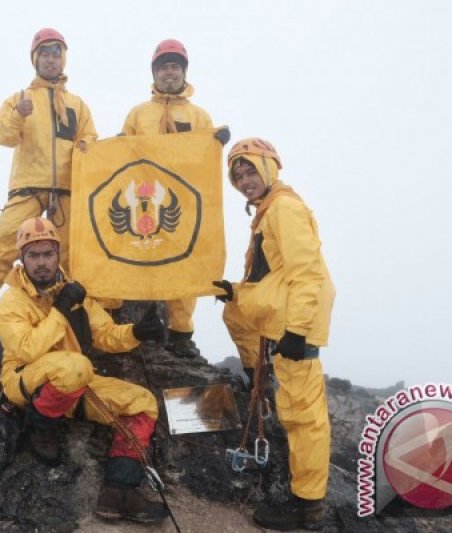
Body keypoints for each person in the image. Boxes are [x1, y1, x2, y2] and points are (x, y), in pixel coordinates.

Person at [0, 216, 169, 524]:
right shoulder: (11, 302)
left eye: (48, 253)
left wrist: (137, 332)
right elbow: (27, 349)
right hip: (25, 381)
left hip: (74, 384)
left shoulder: (74, 293)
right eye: (33, 255)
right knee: (76, 366)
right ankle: (40, 427)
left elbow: (104, 334)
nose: (42, 262)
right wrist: (61, 310)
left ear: (58, 255)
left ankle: (119, 491)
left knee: (142, 402)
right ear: (22, 260)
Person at [213, 138, 334, 531]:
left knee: (303, 417)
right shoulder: (268, 211)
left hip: (295, 325)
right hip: (280, 318)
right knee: (234, 311)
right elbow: (272, 276)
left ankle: (307, 505)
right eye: (238, 176)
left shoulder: (284, 208)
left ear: (270, 166)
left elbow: (307, 273)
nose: (245, 181)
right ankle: (257, 378)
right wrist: (237, 291)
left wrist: (298, 331)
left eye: (250, 170)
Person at [0, 28, 97, 314]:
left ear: (63, 59)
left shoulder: (77, 105)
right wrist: (19, 114)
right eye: (44, 53)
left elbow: (90, 140)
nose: (51, 59)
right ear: (35, 59)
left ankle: (68, 307)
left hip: (66, 188)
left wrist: (85, 145)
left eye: (56, 53)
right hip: (27, 185)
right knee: (5, 239)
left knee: (67, 250)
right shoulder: (18, 98)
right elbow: (3, 136)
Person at [120, 38, 230, 358]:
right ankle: (145, 327)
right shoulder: (138, 114)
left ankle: (181, 334)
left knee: (184, 265)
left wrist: (216, 143)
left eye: (175, 66)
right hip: (146, 201)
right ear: (154, 72)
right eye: (164, 67)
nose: (169, 72)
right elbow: (121, 157)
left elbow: (205, 162)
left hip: (184, 204)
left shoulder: (200, 117)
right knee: (146, 261)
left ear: (184, 72)